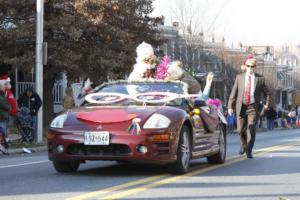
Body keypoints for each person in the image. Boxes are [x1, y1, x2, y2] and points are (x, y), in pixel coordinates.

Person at [227, 55, 270, 158]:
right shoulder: (239, 77)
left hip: (252, 107)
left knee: (251, 129)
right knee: (240, 130)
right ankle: (244, 144)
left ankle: (249, 150)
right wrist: (230, 107)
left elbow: (267, 93)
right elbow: (234, 93)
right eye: (248, 66)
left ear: (255, 67)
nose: (250, 68)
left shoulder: (260, 79)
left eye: (252, 66)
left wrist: (266, 104)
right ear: (245, 66)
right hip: (241, 106)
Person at [0, 83, 11, 152]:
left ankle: (4, 146)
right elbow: (6, 106)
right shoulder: (1, 97)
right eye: (3, 87)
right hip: (2, 117)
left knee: (3, 132)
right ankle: (3, 146)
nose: (4, 88)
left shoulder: (3, 96)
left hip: (3, 116)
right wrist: (9, 107)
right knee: (2, 132)